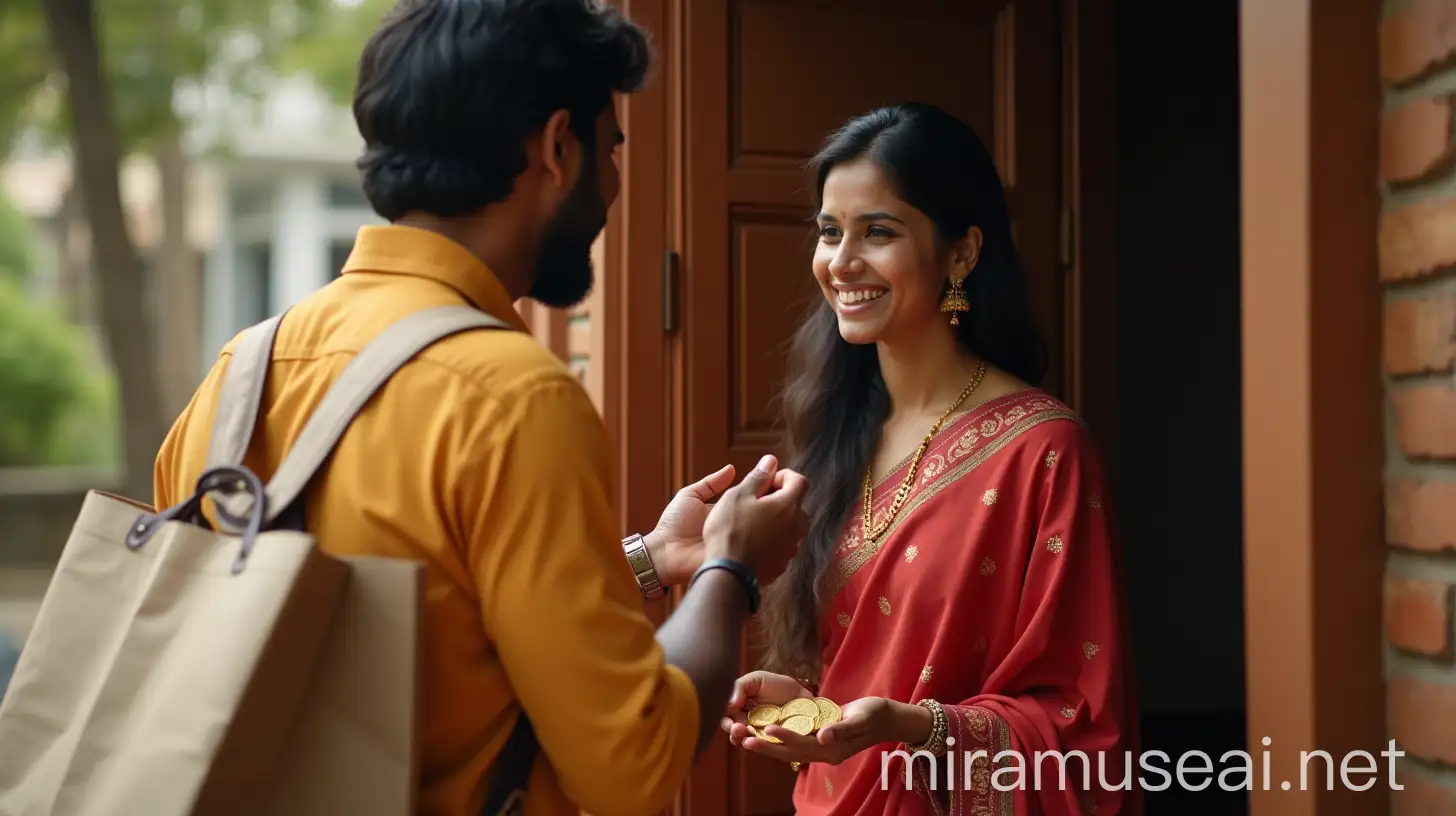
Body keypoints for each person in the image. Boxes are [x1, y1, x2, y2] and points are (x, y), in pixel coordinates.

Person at [152, 1, 808, 815]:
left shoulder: (243, 369)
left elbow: (385, 631)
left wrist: (646, 561)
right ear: (557, 148)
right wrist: (729, 568)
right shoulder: (513, 395)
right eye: (611, 149)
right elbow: (631, 764)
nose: (613, 185)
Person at [719, 103, 1140, 815]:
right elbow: (869, 670)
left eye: (877, 232)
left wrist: (917, 728)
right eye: (829, 232)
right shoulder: (835, 435)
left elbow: (1080, 725)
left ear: (962, 253)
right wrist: (817, 708)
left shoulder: (1042, 451)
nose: (841, 262)